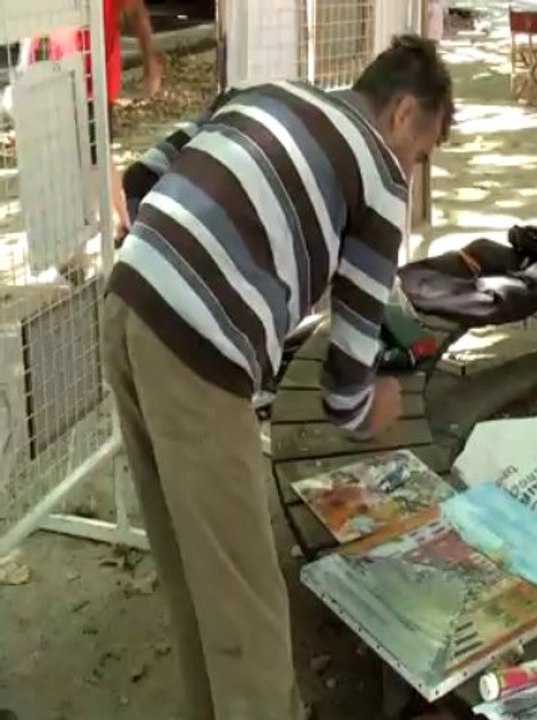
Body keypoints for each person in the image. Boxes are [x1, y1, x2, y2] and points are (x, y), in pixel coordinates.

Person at [101, 34, 454, 720]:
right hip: (197, 351)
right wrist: (373, 404)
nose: (412, 168)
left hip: (129, 298)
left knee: (194, 566)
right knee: (248, 606)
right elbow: (345, 386)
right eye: (421, 152)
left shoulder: (268, 94)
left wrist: (194, 261)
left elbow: (142, 179)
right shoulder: (379, 172)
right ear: (404, 113)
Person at [18, 0, 163, 231]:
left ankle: (121, 222)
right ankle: (119, 220)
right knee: (87, 154)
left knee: (95, 155)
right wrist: (24, 67)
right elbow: (37, 19)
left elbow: (137, 12)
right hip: (62, 77)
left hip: (97, 80)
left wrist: (150, 63)